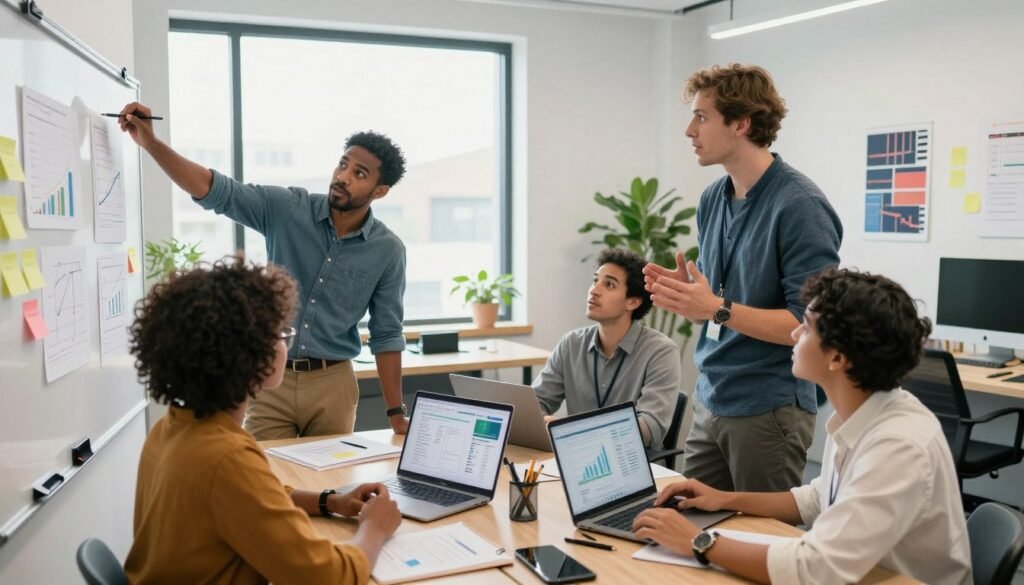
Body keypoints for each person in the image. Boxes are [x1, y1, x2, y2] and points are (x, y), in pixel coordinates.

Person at [632, 268, 972, 585]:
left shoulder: (898, 445)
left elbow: (816, 568)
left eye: (807, 327)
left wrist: (697, 540)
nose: (794, 333)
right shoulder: (865, 413)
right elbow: (817, 498)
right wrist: (724, 498)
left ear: (837, 358)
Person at [119, 102, 410, 439]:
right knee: (263, 478)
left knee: (329, 484)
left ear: (380, 191)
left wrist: (395, 414)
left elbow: (387, 333)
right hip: (273, 379)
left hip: (334, 384)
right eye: (343, 164)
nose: (343, 177)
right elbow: (215, 190)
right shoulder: (288, 209)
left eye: (359, 173)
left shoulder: (388, 250)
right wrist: (151, 143)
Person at [124, 258, 402, 584]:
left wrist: (329, 501)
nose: (286, 342)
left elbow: (252, 497)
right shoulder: (226, 458)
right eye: (279, 333)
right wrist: (374, 527)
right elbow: (327, 577)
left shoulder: (171, 427)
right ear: (250, 354)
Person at [643, 64, 842, 491]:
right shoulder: (713, 198)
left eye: (701, 117)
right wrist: (692, 299)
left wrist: (715, 307)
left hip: (768, 408)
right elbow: (717, 310)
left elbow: (808, 326)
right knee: (689, 527)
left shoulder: (800, 206)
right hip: (712, 398)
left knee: (762, 545)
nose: (688, 130)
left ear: (741, 123)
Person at [532, 248, 680, 448]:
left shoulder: (660, 351)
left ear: (633, 302)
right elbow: (535, 402)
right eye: (595, 281)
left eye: (609, 284)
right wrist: (541, 422)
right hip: (577, 459)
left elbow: (649, 427)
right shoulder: (571, 344)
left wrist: (572, 430)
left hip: (632, 464)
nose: (594, 290)